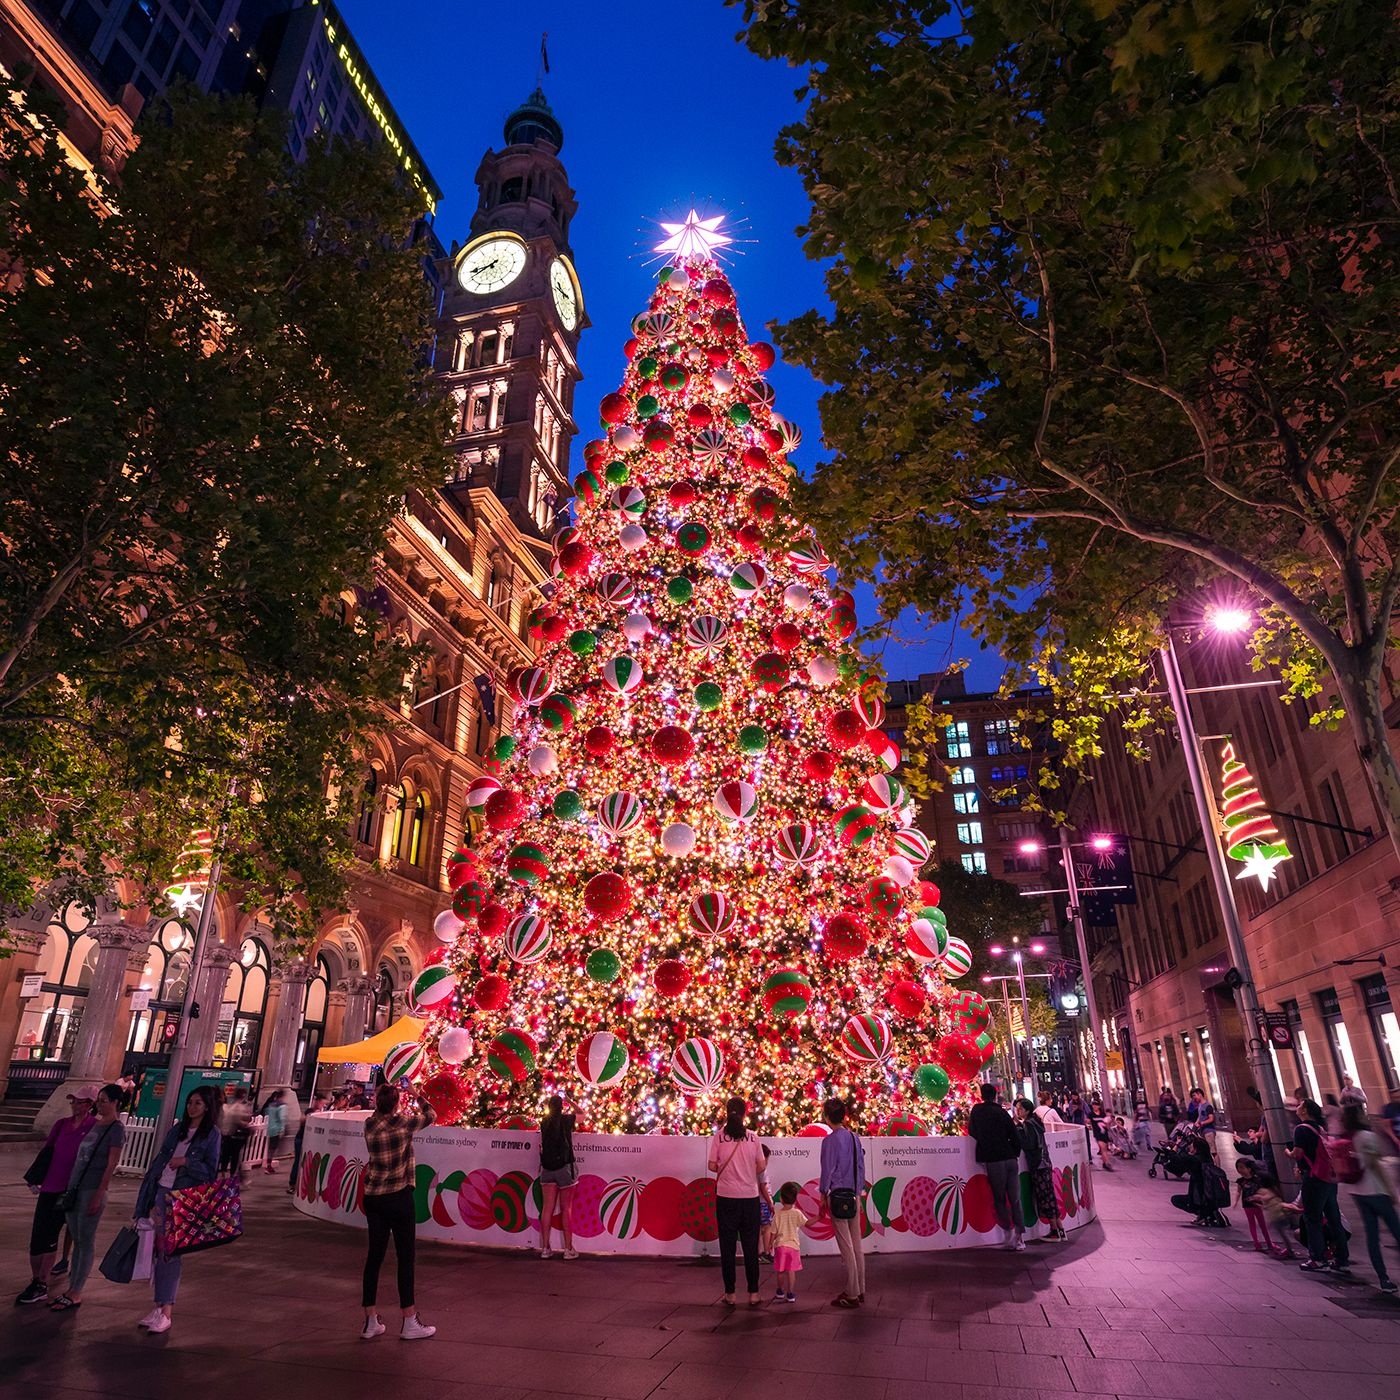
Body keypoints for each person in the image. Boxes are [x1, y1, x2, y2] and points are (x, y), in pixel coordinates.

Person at [133, 1084, 222, 1334]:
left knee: (170, 1253)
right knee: (158, 1251)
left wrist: (186, 1162)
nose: (192, 1107)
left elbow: (210, 1171)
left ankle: (167, 1310)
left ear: (207, 1107)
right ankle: (159, 1306)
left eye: (198, 1103)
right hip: (161, 1193)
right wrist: (150, 1201)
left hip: (182, 1198)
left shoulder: (211, 1135)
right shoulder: (177, 1130)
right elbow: (159, 1162)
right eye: (190, 1102)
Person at [361, 1084, 436, 1340]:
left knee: (374, 1258)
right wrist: (416, 1094)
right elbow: (431, 1115)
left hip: (373, 1197)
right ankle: (409, 1320)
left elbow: (378, 1114)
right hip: (398, 1197)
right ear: (396, 1104)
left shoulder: (370, 1125)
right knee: (405, 1258)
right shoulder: (404, 1124)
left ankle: (370, 1320)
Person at [49, 1082, 126, 1312]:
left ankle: (76, 1291)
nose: (100, 1105)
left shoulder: (116, 1129)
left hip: (93, 1189)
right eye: (99, 1101)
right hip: (76, 1187)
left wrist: (99, 1193)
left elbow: (110, 1164)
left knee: (85, 1240)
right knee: (76, 1237)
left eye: (104, 1101)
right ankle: (72, 1286)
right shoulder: (95, 1124)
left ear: (115, 1103)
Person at [17, 1086, 96, 1305]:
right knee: (38, 1237)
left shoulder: (93, 1128)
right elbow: (47, 1151)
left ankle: (43, 1281)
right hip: (50, 1186)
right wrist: (35, 1177)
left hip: (70, 1189)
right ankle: (36, 1279)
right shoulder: (61, 1125)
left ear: (90, 1105)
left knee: (52, 1235)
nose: (75, 1106)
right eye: (73, 1102)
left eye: (80, 1102)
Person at [707, 1096, 772, 1308]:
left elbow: (712, 1166)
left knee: (727, 1247)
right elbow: (761, 1167)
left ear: (727, 1113)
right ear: (745, 1114)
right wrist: (746, 1173)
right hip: (749, 1198)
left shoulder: (719, 1137)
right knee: (751, 1247)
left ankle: (730, 1294)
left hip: (726, 1198)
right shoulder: (753, 1138)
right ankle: (753, 1293)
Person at [1339, 1102, 1400, 1295]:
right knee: (1397, 1231)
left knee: (1372, 1237)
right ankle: (1384, 1278)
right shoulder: (1367, 1137)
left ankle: (1383, 1279)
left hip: (1357, 1192)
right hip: (1376, 1191)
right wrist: (1391, 1190)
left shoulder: (1347, 1138)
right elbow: (1377, 1166)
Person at [1289, 1098, 1350, 1275]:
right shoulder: (1320, 1128)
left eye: (1300, 1105)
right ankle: (1342, 1260)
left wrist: (1288, 1153)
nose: (1297, 1107)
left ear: (1305, 1110)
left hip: (1314, 1178)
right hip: (1329, 1177)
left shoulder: (1301, 1129)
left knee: (1312, 1218)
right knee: (1333, 1218)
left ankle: (1318, 1259)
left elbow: (1298, 1153)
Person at [818, 1097, 866, 1308]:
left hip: (837, 1195)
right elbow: (861, 1167)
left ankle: (852, 1293)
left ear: (827, 1117)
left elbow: (827, 1169)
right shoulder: (855, 1138)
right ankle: (860, 1289)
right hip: (854, 1195)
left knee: (846, 1247)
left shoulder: (829, 1141)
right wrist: (858, 1193)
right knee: (857, 1245)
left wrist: (822, 1194)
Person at [968, 1084, 1025, 1250]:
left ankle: (1008, 1233)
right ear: (995, 1095)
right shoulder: (1002, 1112)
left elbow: (972, 1131)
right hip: (1010, 1159)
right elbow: (1014, 1135)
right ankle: (1020, 1238)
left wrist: (986, 1142)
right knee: (1015, 1199)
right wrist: (1014, 1152)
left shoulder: (977, 1111)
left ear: (981, 1095)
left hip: (994, 1159)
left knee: (999, 1198)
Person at [1015, 1097, 1065, 1241]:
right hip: (1045, 1162)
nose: (1018, 1111)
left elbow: (1029, 1144)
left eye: (1020, 1109)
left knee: (1044, 1197)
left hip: (1038, 1164)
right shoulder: (1036, 1122)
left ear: (1028, 1110)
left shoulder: (1029, 1124)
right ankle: (1060, 1229)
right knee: (1050, 1196)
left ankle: (1054, 1231)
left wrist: (1018, 1129)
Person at [537, 1095, 579, 1260]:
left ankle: (545, 1248)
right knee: (566, 1209)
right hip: (564, 1169)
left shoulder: (544, 1122)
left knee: (547, 1209)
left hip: (547, 1169)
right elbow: (583, 1114)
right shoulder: (567, 1120)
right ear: (562, 1106)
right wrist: (571, 1100)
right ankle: (568, 1249)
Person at [1168, 1137, 1226, 1227]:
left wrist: (1177, 1144)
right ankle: (1208, 1212)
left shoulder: (1194, 1160)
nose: (1190, 1147)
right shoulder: (1208, 1159)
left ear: (1196, 1148)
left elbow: (1174, 1158)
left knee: (1176, 1200)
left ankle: (1203, 1213)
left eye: (1191, 1145)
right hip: (1209, 1196)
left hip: (1198, 1198)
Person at [1236, 1157, 1282, 1254]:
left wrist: (1261, 1198)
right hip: (1247, 1205)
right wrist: (1236, 1202)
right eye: (1238, 1168)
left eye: (1242, 1167)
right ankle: (1257, 1243)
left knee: (1262, 1224)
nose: (1240, 1170)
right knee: (1252, 1224)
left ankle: (1269, 1243)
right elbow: (1238, 1191)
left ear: (1249, 1168)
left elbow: (1263, 1191)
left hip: (1257, 1204)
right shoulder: (1240, 1181)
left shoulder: (1257, 1179)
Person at [771, 1181, 806, 1303]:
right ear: (795, 1198)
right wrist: (818, 1217)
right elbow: (807, 1223)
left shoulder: (777, 1215)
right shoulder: (797, 1213)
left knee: (780, 1271)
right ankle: (790, 1294)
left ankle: (780, 1291)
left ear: (781, 1198)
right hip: (793, 1247)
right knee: (791, 1271)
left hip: (780, 1246)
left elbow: (773, 1232)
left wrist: (770, 1244)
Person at [218, 1086, 252, 1180]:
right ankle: (233, 1175)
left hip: (227, 1134)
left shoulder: (230, 1106)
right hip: (235, 1135)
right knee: (235, 1156)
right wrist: (246, 1124)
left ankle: (224, 1174)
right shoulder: (239, 1106)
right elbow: (240, 1120)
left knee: (227, 1154)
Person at [758, 1145, 775, 1262]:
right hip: (764, 1203)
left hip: (755, 1201)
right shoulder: (762, 1170)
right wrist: (770, 1202)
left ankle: (758, 1254)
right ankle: (766, 1252)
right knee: (767, 1228)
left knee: (757, 1229)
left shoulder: (753, 1168)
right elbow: (763, 1187)